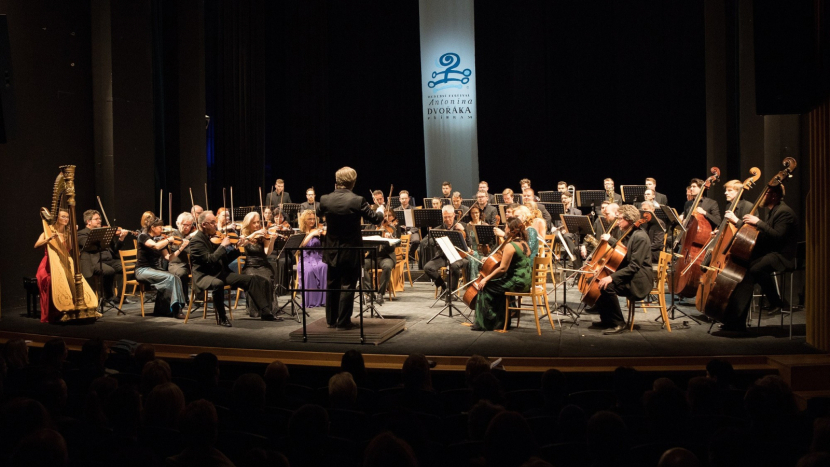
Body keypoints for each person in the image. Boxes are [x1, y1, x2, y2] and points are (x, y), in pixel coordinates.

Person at [720, 184, 797, 332]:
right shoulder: (773, 211)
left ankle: (776, 301)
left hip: (782, 256)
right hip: (771, 253)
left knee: (754, 269)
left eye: (765, 193)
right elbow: (762, 235)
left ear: (773, 195)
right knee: (746, 273)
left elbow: (777, 237)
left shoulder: (784, 212)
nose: (762, 196)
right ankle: (736, 321)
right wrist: (745, 224)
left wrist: (758, 222)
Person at [319, 167, 384, 329]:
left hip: (331, 250)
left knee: (332, 284)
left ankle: (331, 320)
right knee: (348, 284)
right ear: (353, 182)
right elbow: (375, 220)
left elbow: (319, 213)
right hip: (351, 251)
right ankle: (343, 321)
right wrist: (381, 210)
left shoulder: (325, 199)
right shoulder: (357, 200)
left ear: (337, 181)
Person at [190, 210, 276, 326]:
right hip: (205, 275)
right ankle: (222, 317)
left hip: (219, 272)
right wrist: (222, 246)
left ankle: (266, 312)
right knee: (218, 284)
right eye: (212, 223)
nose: (215, 225)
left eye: (215, 222)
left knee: (252, 279)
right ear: (204, 225)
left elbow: (224, 260)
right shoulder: (196, 241)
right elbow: (210, 260)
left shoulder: (212, 237)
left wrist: (237, 249)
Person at [590, 204, 653, 334]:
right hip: (632, 275)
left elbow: (634, 266)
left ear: (629, 220)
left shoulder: (640, 237)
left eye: (619, 219)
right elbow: (625, 259)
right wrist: (604, 272)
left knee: (607, 286)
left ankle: (618, 322)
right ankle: (607, 319)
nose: (617, 222)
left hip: (639, 280)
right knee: (596, 280)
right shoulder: (631, 234)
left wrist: (611, 277)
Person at [471, 217, 532, 331]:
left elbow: (503, 269)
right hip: (526, 283)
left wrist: (486, 279)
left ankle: (487, 323)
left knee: (485, 287)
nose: (505, 229)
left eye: (506, 227)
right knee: (497, 286)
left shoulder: (510, 245)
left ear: (511, 229)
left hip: (516, 282)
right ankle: (500, 321)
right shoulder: (525, 243)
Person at [134, 217, 187, 318]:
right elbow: (155, 246)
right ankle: (176, 310)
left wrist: (181, 248)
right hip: (142, 270)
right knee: (170, 278)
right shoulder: (143, 237)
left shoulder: (161, 240)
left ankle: (165, 309)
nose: (162, 229)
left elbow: (168, 257)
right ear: (153, 227)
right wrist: (168, 240)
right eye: (160, 227)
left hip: (155, 270)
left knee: (175, 277)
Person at [77, 209, 129, 305]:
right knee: (109, 271)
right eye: (96, 219)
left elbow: (115, 249)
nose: (100, 221)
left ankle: (120, 297)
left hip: (109, 260)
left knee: (125, 267)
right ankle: (107, 297)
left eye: (99, 218)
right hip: (94, 261)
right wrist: (101, 236)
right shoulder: (82, 233)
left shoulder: (104, 231)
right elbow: (87, 246)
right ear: (88, 221)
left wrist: (121, 239)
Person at [239, 211, 280, 318]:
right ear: (248, 224)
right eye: (254, 223)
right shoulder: (244, 235)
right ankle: (255, 310)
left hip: (263, 265)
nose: (257, 225)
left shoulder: (263, 235)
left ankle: (267, 309)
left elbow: (267, 252)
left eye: (258, 222)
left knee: (266, 278)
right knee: (254, 279)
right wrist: (253, 235)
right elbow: (241, 244)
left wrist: (272, 241)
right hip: (250, 266)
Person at [424, 205, 470, 297]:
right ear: (442, 216)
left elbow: (469, 242)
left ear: (454, 215)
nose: (448, 219)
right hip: (443, 256)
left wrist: (463, 230)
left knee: (454, 266)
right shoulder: (438, 228)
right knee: (428, 268)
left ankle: (451, 292)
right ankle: (444, 287)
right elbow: (429, 242)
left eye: (449, 216)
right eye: (445, 217)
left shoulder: (463, 226)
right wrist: (434, 239)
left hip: (458, 257)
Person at [34, 209, 71, 323]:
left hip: (61, 265)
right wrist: (48, 239)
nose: (66, 219)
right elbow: (36, 245)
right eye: (63, 217)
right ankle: (53, 313)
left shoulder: (66, 233)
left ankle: (66, 309)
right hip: (47, 266)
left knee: (72, 279)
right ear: (57, 218)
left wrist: (72, 235)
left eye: (67, 217)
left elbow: (69, 248)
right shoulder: (47, 231)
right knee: (50, 281)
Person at [362, 209, 400, 305]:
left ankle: (380, 293)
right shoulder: (369, 228)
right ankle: (369, 292)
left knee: (387, 267)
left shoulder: (391, 229)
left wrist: (389, 239)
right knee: (361, 266)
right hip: (372, 257)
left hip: (386, 256)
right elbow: (364, 246)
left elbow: (392, 248)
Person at [298, 209, 327, 308]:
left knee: (324, 266)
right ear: (304, 220)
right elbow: (301, 245)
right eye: (309, 219)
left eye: (314, 219)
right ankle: (311, 300)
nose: (312, 221)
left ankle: (324, 300)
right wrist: (311, 235)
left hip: (318, 257)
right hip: (305, 258)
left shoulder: (318, 230)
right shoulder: (300, 232)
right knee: (309, 271)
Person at [167, 212, 196, 299]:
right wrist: (189, 237)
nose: (187, 227)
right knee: (181, 273)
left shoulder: (193, 234)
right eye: (184, 225)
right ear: (178, 223)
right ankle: (183, 298)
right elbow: (176, 248)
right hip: (177, 264)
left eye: (189, 225)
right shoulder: (173, 235)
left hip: (190, 264)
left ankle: (200, 298)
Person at [394, 190, 420, 261]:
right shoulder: (395, 211)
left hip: (412, 231)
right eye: (402, 198)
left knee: (416, 241)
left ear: (409, 199)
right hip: (400, 231)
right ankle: (399, 255)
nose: (404, 200)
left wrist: (411, 231)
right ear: (399, 199)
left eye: (405, 198)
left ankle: (410, 255)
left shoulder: (414, 209)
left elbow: (418, 224)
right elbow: (393, 224)